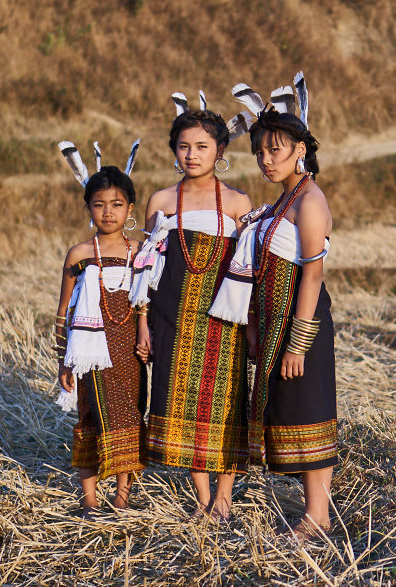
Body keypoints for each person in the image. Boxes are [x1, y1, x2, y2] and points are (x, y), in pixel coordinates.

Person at [211, 73, 337, 540]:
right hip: (270, 323)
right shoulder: (281, 202)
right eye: (260, 152)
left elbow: (312, 274)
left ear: (299, 150)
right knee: (289, 408)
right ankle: (314, 515)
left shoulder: (310, 202)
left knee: (308, 407)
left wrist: (297, 345)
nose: (266, 160)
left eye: (276, 150)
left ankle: (316, 517)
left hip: (301, 324)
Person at [130, 93, 252, 520]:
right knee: (180, 401)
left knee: (225, 401)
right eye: (184, 147)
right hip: (171, 317)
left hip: (224, 319)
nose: (192, 155)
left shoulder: (239, 204)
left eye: (202, 147)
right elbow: (144, 268)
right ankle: (203, 499)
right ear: (174, 152)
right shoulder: (161, 202)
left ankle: (225, 497)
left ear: (220, 151)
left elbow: (247, 269)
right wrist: (143, 323)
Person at [55, 141, 146, 519]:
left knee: (129, 415)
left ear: (129, 208)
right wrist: (63, 360)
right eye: (99, 204)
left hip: (128, 351)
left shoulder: (141, 251)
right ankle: (90, 500)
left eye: (116, 204)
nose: (108, 212)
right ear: (88, 207)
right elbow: (63, 313)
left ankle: (122, 497)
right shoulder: (79, 254)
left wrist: (145, 337)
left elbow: (144, 304)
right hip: (89, 353)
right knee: (89, 418)